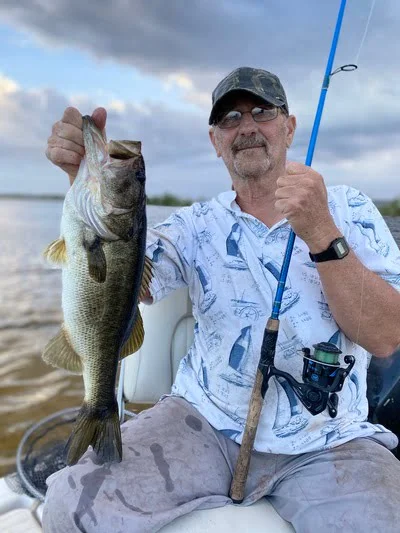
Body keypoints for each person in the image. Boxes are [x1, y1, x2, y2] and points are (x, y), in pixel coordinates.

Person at [42, 67, 400, 533]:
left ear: (289, 127)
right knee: (69, 507)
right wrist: (83, 184)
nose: (247, 126)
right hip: (202, 420)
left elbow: (387, 337)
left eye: (263, 112)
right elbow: (119, 277)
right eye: (230, 117)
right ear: (215, 141)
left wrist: (320, 231)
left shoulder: (349, 208)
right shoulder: (194, 226)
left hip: (331, 440)